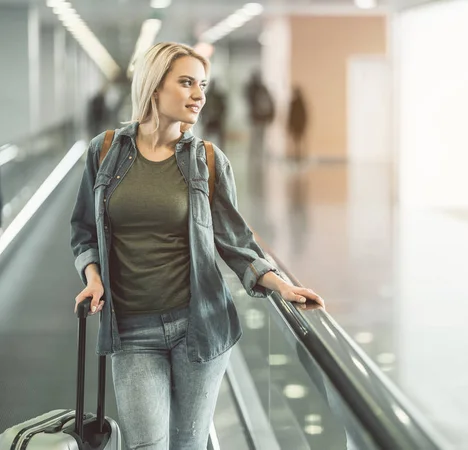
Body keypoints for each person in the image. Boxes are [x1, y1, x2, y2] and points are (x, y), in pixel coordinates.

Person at [70, 42, 324, 450]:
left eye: (202, 85)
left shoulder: (207, 160)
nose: (198, 96)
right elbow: (83, 228)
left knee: (188, 444)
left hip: (199, 328)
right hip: (131, 330)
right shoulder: (105, 153)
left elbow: (235, 241)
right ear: (154, 88)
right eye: (186, 83)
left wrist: (281, 285)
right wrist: (93, 276)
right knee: (145, 445)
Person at [244, 71, 275, 160]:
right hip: (260, 118)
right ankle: (258, 153)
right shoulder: (260, 89)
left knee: (257, 137)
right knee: (259, 137)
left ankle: (257, 154)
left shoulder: (253, 89)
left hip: (257, 118)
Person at [201, 78, 227, 147]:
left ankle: (221, 150)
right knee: (206, 138)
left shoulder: (219, 96)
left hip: (217, 119)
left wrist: (218, 115)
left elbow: (223, 108)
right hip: (208, 119)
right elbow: (203, 108)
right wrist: (205, 117)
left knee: (220, 138)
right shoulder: (206, 96)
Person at [287, 86, 308, 162]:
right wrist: (290, 126)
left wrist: (303, 125)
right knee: (294, 142)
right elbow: (290, 116)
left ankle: (300, 156)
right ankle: (294, 156)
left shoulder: (301, 103)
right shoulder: (293, 104)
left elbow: (304, 116)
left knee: (300, 142)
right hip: (295, 126)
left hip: (300, 126)